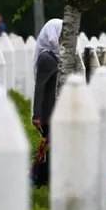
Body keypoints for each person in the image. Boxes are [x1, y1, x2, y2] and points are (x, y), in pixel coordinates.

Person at [31, 18, 62, 187]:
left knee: (51, 146)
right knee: (49, 146)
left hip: (53, 109)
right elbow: (40, 88)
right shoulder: (46, 58)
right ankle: (41, 180)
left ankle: (43, 179)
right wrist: (37, 115)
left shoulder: (54, 56)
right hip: (48, 111)